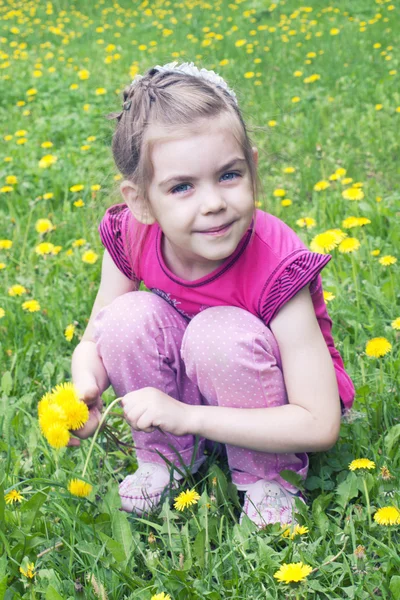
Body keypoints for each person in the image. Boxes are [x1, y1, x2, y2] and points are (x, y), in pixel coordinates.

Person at [70, 62, 355, 529]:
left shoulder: (277, 262)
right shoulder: (131, 233)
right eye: (181, 187)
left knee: (218, 333)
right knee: (125, 316)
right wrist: (85, 388)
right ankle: (165, 461)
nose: (213, 203)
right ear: (140, 200)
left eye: (229, 175)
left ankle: (269, 479)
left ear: (253, 167)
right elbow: (94, 339)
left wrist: (187, 416)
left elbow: (319, 422)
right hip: (191, 390)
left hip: (275, 400)